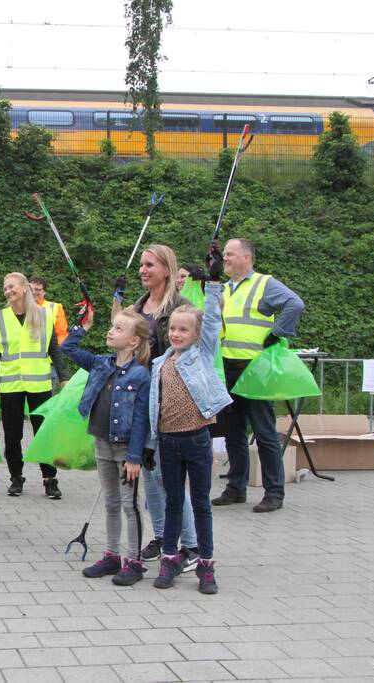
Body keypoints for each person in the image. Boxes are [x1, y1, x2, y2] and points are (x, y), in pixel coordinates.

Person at [148, 243, 231, 595]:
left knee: (200, 503)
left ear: (196, 335)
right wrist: (150, 443)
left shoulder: (201, 354)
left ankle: (206, 565)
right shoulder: (158, 363)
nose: (177, 334)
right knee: (171, 503)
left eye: (184, 330)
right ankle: (169, 560)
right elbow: (155, 404)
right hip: (167, 441)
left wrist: (213, 282)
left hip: (196, 439)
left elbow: (211, 318)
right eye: (173, 330)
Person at [114, 245, 200, 569]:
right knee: (149, 472)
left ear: (167, 268)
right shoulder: (138, 307)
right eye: (141, 265)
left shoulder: (181, 307)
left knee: (169, 477)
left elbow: (192, 353)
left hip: (168, 401)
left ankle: (190, 544)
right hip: (141, 400)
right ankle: (164, 537)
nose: (143, 270)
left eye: (149, 265)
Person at [213, 238, 305, 513]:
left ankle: (274, 493)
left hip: (254, 370)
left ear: (246, 257)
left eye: (230, 254)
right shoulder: (225, 289)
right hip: (228, 368)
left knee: (264, 433)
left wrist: (276, 334)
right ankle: (236, 488)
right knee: (233, 433)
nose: (225, 258)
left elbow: (295, 304)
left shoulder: (264, 284)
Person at [62, 307, 151, 585]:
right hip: (102, 444)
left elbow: (141, 420)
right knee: (111, 503)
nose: (111, 331)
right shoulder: (101, 363)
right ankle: (113, 555)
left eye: (119, 328)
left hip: (126, 452)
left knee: (128, 504)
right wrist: (82, 327)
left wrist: (135, 456)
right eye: (112, 326)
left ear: (134, 340)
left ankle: (134, 561)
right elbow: (68, 347)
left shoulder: (140, 376)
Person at [0, 272, 69, 499]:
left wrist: (64, 377)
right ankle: (16, 478)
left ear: (24, 288)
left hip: (39, 383)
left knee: (43, 433)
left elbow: (54, 350)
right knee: (13, 435)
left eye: (11, 286)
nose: (7, 291)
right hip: (11, 385)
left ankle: (50, 479)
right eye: (5, 288)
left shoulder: (44, 316)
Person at [28, 276, 69, 344]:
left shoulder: (55, 307)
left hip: (47, 353)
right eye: (31, 289)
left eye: (37, 289)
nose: (33, 292)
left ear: (44, 292)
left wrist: (54, 351)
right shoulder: (20, 307)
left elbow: (61, 334)